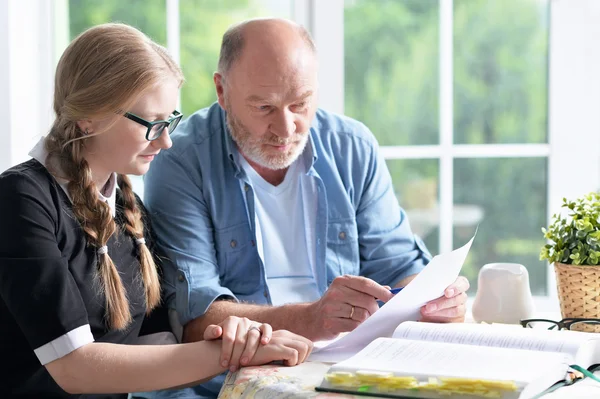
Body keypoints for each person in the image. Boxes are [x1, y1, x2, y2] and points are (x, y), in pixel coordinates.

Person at [143, 18, 469, 398]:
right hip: (228, 381)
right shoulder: (180, 158)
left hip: (347, 369)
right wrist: (312, 319)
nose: (285, 128)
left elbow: (399, 269)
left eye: (300, 104)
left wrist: (435, 301)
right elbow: (195, 319)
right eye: (264, 107)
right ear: (222, 90)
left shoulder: (352, 146)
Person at [0, 23, 313, 399]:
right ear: (89, 116)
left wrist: (239, 340)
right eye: (152, 123)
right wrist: (224, 355)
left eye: (170, 121)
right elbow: (74, 367)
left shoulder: (127, 208)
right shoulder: (21, 200)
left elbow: (155, 347)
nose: (166, 140)